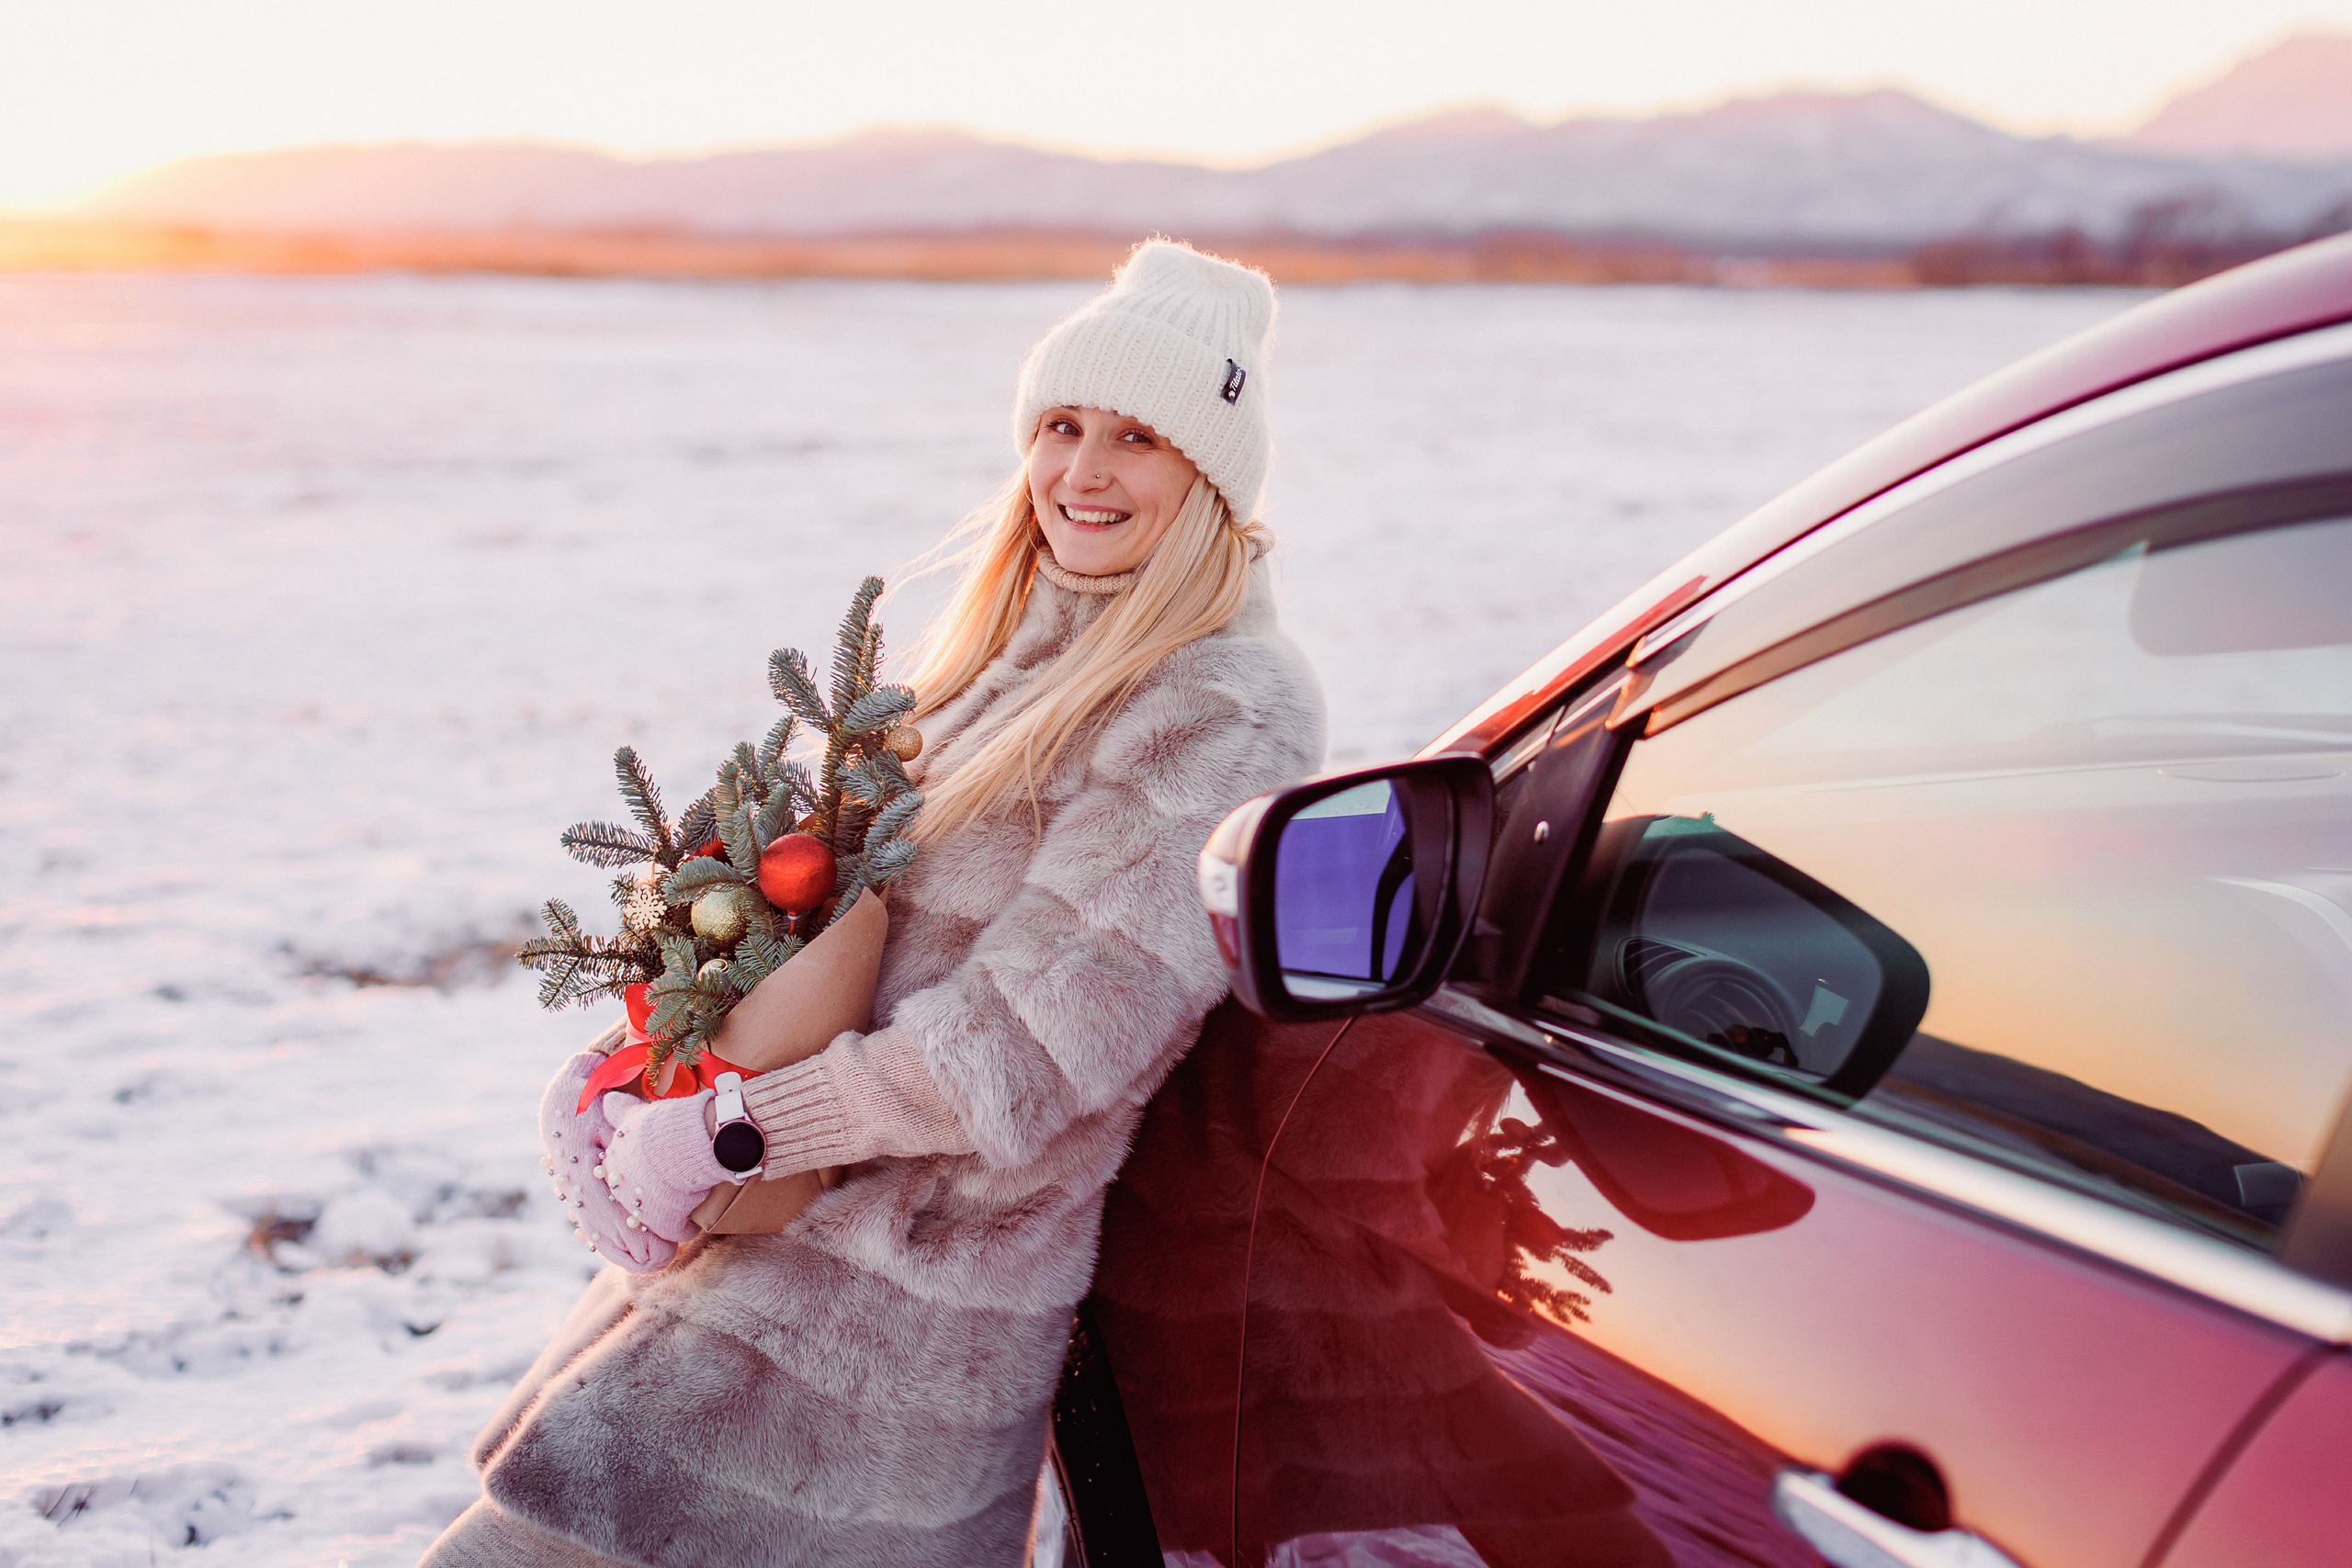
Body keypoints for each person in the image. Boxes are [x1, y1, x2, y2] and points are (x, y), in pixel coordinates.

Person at [421, 240, 1328, 1567]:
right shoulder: (997, 657)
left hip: (887, 1321)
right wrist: (653, 1067)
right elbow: (815, 918)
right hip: (767, 1252)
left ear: (1211, 473)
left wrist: (734, 1134)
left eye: (1138, 437)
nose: (1082, 471)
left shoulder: (1225, 703)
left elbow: (1036, 1045)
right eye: (1061, 425)